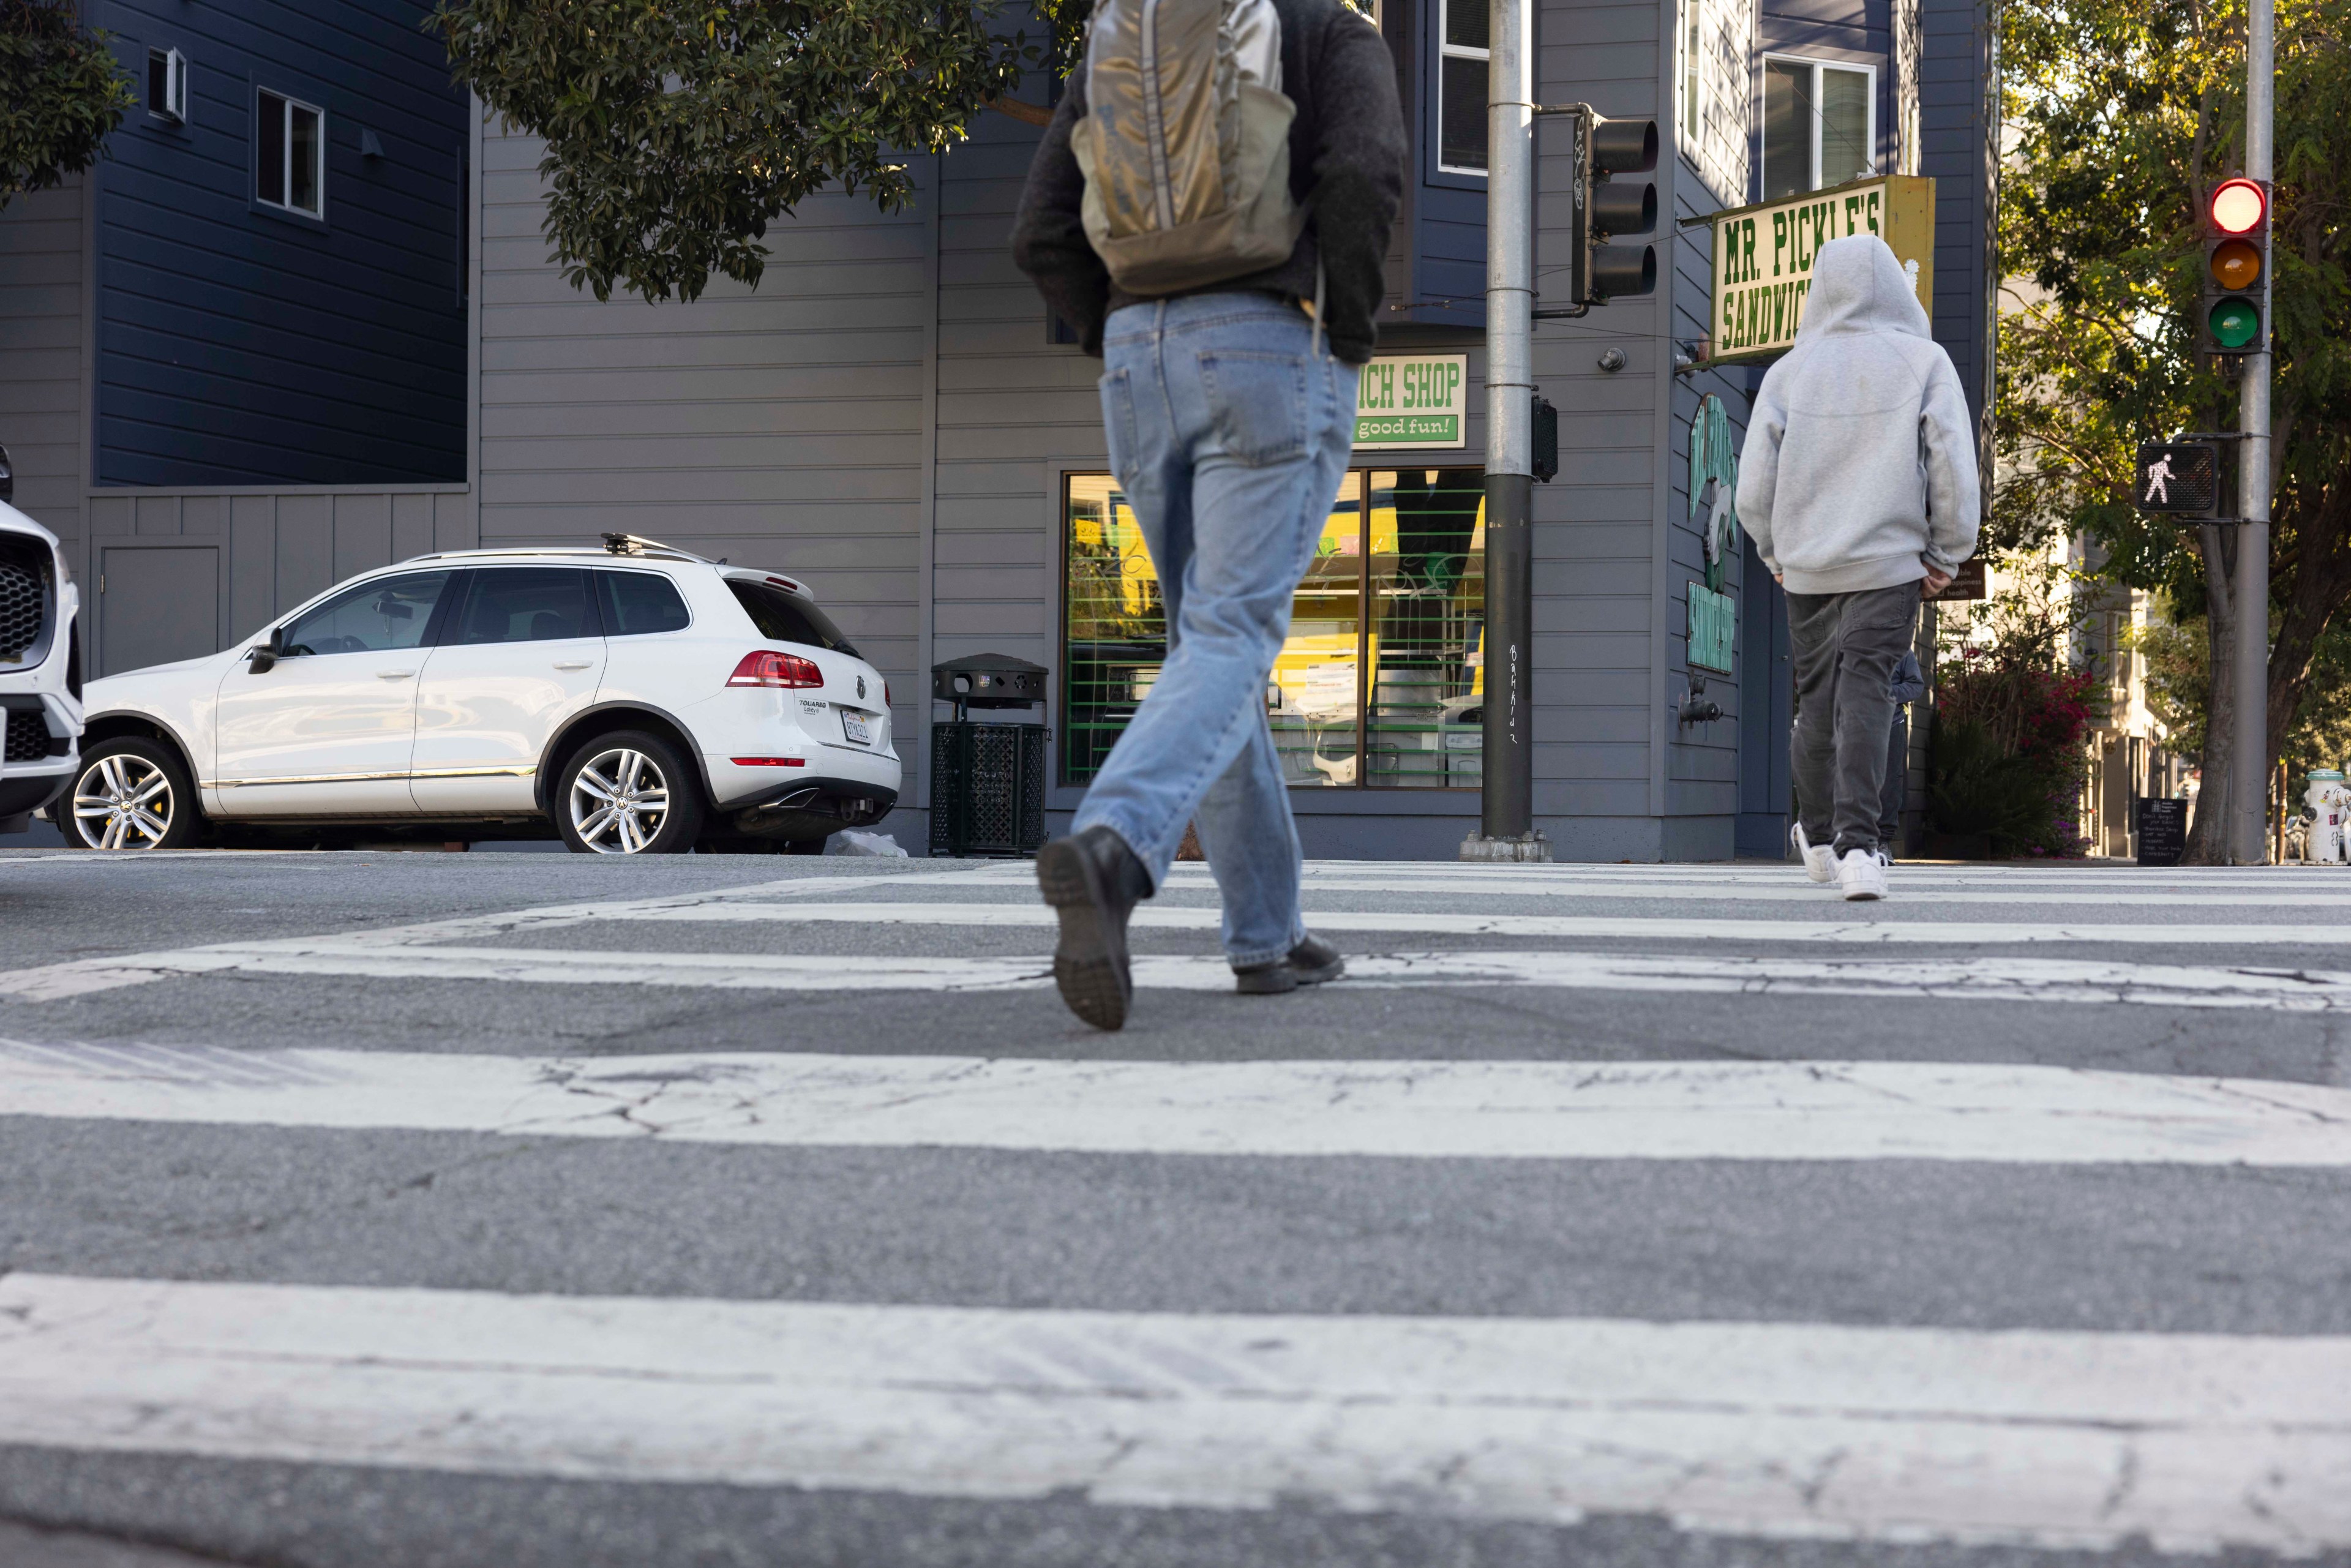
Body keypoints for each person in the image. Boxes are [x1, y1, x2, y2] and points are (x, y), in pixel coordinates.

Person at [1010, 0, 1406, 1030]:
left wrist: (1123, 329)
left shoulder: (1126, 35)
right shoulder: (1333, 29)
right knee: (1232, 634)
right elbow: (1364, 174)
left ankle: (1266, 935)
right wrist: (1347, 331)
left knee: (1207, 642)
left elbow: (1040, 227)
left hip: (1138, 354)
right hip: (1271, 341)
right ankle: (1115, 847)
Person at [1738, 234, 1979, 901]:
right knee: (1867, 690)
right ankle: (1859, 847)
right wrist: (1946, 552)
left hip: (1808, 564)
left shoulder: (1790, 371)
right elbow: (1954, 465)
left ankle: (1816, 838)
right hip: (1887, 560)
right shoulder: (1924, 360)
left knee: (1814, 699)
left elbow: (1754, 482)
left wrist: (1772, 550)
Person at [1877, 648, 1925, 862]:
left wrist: (1885, 693)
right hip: (1853, 722)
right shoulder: (1849, 641)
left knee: (1889, 784)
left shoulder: (1902, 649)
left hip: (1891, 724)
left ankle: (1883, 844)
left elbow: (1916, 685)